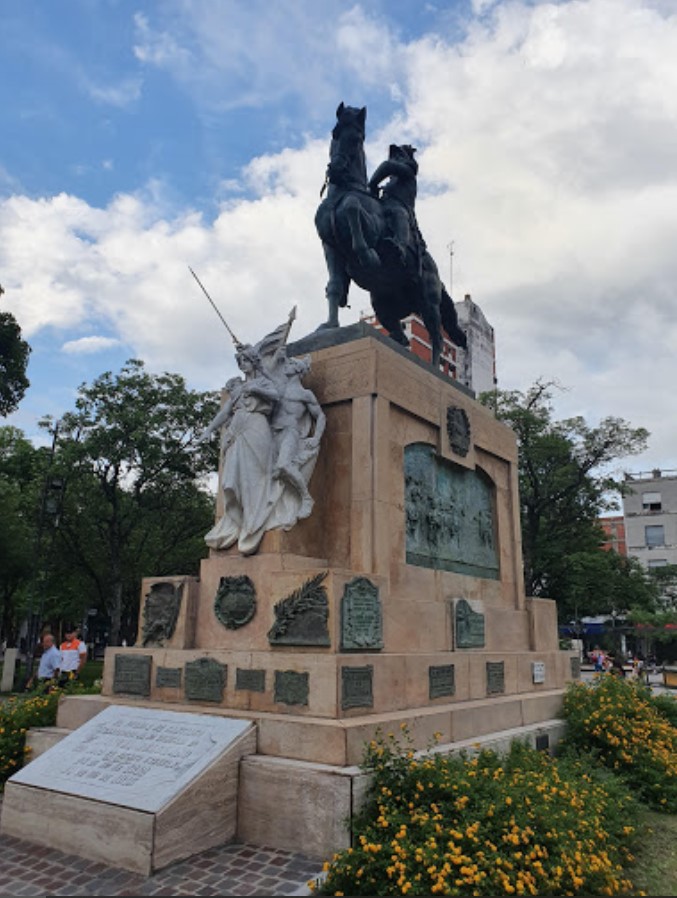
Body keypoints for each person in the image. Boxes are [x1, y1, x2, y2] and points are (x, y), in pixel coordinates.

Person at [200, 345, 280, 555]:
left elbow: (276, 395)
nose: (242, 365)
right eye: (240, 362)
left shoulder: (262, 381)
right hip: (237, 433)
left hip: (257, 428)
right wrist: (209, 429)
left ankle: (253, 525)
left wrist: (256, 389)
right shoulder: (237, 389)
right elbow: (225, 412)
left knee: (255, 479)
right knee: (231, 482)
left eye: (245, 361)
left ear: (253, 361)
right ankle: (238, 521)